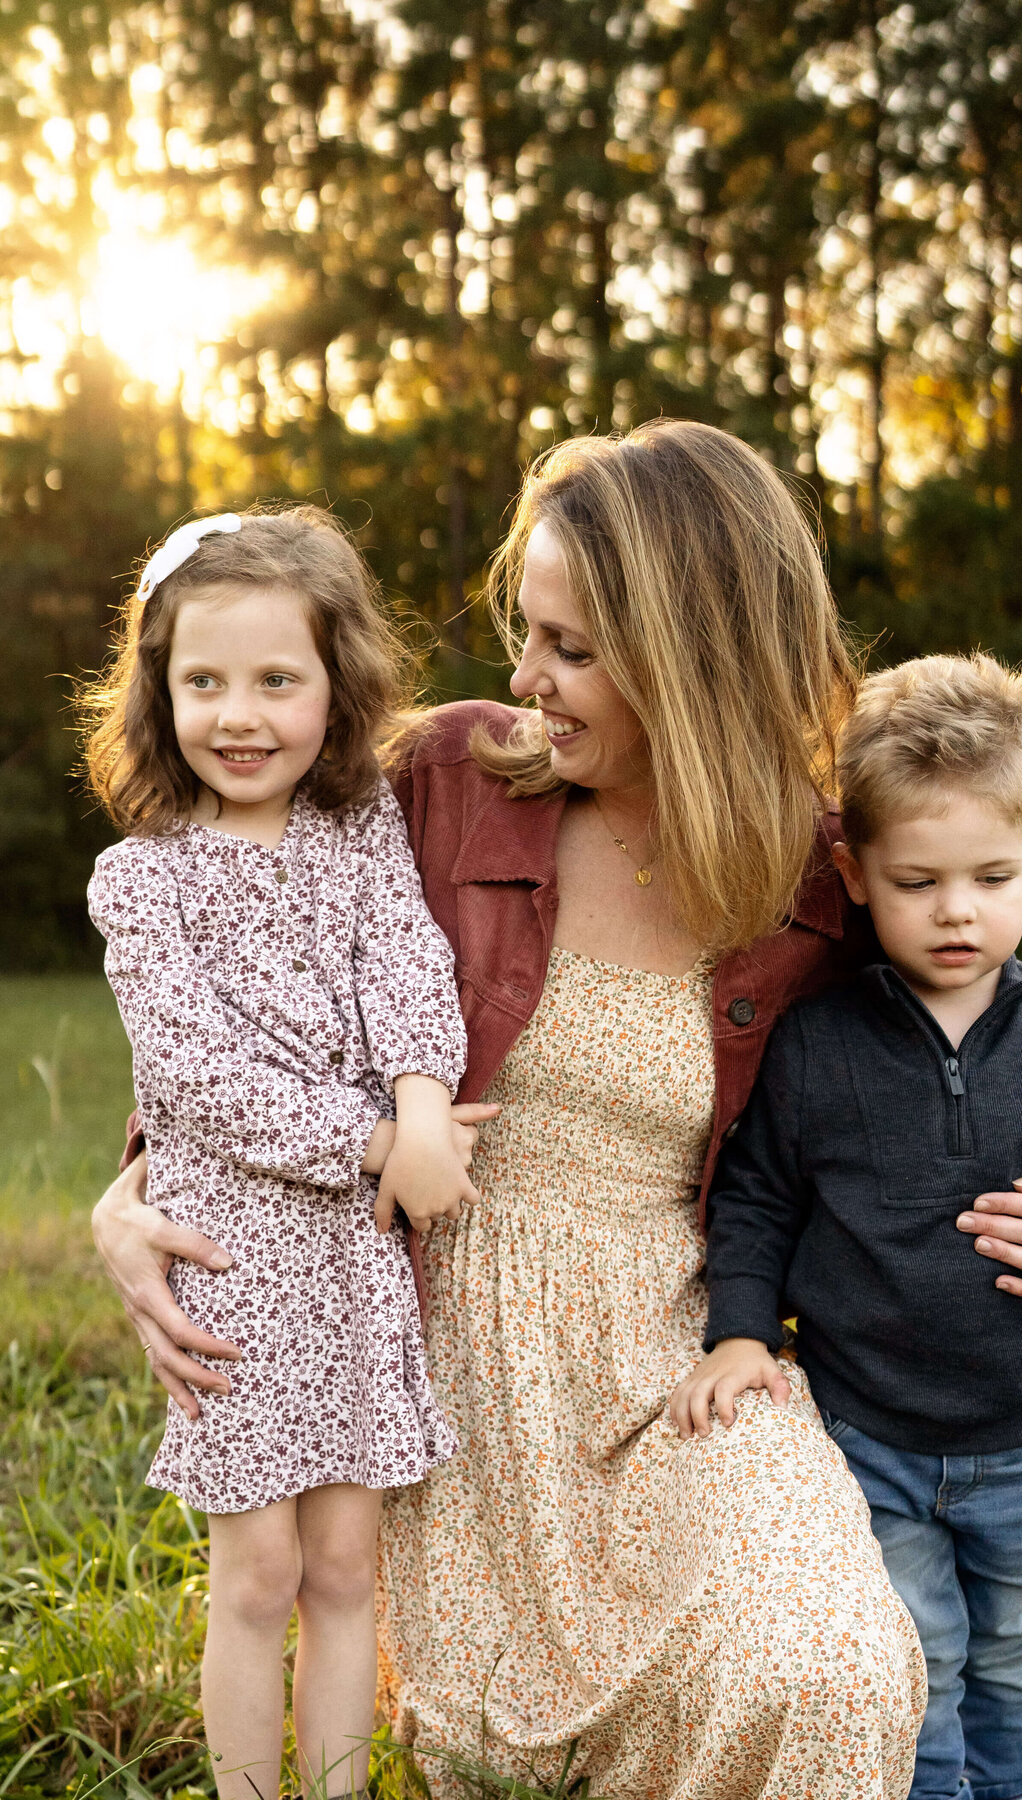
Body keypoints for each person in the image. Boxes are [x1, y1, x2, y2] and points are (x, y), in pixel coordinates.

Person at [92, 425, 1022, 1800]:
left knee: (829, 1670)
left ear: (692, 658)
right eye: (529, 633)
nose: (523, 679)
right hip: (428, 1352)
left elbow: (988, 1024)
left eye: (568, 649)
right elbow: (235, 983)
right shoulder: (439, 780)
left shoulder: (826, 876)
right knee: (504, 1742)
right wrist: (131, 1193)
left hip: (685, 1356)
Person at [672, 652, 1022, 1800]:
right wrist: (742, 1335)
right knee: (924, 1655)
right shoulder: (818, 1042)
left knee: (1010, 1653)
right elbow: (757, 1197)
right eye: (917, 881)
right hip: (869, 1432)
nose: (956, 910)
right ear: (854, 874)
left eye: (990, 876)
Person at [81, 508, 471, 1800]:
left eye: (275, 681)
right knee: (257, 1572)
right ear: (160, 691)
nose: (238, 715)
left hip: (353, 1265)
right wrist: (372, 1141)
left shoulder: (359, 835)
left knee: (346, 1566)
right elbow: (200, 1083)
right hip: (235, 1255)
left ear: (333, 685)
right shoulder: (142, 883)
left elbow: (413, 965)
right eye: (203, 682)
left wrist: (422, 1103)